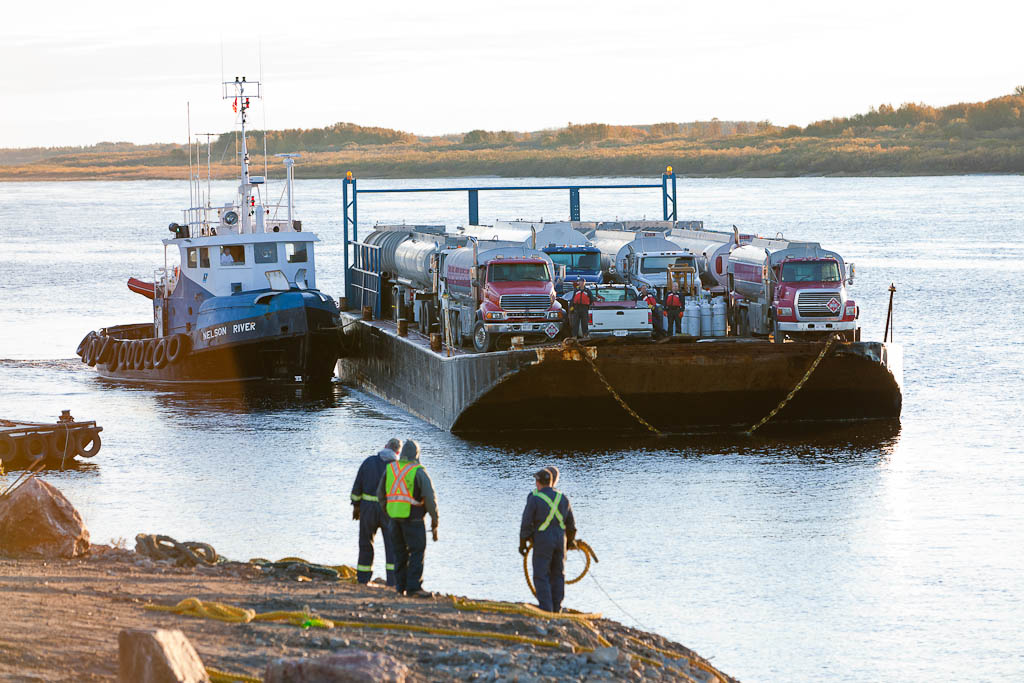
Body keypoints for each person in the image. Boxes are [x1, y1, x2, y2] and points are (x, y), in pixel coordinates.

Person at [376, 439, 438, 598]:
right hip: (414, 520)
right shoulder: (419, 471)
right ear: (417, 455)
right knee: (417, 552)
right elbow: (430, 499)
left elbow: (380, 494)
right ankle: (414, 588)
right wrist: (434, 521)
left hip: (394, 520)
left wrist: (389, 512)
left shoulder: (391, 469)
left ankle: (400, 587)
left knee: (399, 553)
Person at [519, 466, 577, 613]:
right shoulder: (563, 498)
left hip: (543, 540)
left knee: (541, 573)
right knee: (558, 573)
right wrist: (570, 541)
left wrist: (523, 543)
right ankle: (557, 608)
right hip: (560, 540)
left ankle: (546, 608)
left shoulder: (534, 498)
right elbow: (571, 524)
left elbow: (526, 522)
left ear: (538, 483)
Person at [350, 438, 401, 585]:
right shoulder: (397, 468)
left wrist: (356, 506)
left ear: (384, 446)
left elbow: (356, 488)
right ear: (398, 452)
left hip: (367, 510)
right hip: (389, 511)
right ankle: (393, 582)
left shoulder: (369, 462)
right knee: (392, 547)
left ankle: (363, 579)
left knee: (366, 544)